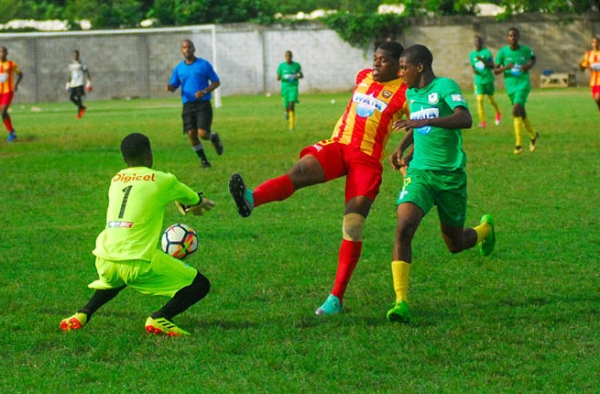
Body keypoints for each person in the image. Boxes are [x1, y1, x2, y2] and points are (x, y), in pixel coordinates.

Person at [229, 41, 408, 316]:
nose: (375, 63)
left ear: (398, 65)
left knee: (353, 225)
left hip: (367, 160)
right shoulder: (362, 77)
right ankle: (251, 199)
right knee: (299, 171)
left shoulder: (406, 92)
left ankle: (336, 298)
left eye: (383, 60)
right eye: (375, 58)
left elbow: (422, 123)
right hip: (338, 145)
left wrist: (404, 151)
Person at [59, 132, 215, 337]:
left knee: (118, 275)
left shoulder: (116, 179)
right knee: (200, 284)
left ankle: (83, 313)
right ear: (149, 155)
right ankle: (161, 317)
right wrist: (198, 203)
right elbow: (194, 200)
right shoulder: (164, 180)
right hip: (137, 262)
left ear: (125, 159)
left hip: (105, 260)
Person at [386, 44, 496, 324]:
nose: (400, 73)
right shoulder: (411, 92)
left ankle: (485, 230)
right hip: (421, 173)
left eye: (404, 68)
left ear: (419, 66)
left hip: (450, 176)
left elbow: (464, 118)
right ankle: (401, 302)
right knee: (403, 228)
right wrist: (402, 148)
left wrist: (422, 122)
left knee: (455, 244)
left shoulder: (445, 86)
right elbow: (420, 127)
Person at [167, 39, 224, 169]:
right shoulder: (179, 68)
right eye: (184, 47)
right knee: (191, 134)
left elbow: (216, 82)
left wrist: (204, 91)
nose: (187, 49)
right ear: (182, 51)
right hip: (188, 106)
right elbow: (174, 85)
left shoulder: (204, 65)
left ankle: (213, 137)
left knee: (202, 134)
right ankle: (204, 161)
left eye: (189, 47)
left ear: (194, 49)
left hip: (203, 104)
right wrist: (170, 87)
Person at [494, 27, 539, 155]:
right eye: (510, 36)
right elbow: (495, 71)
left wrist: (528, 66)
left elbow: (533, 58)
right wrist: (505, 67)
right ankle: (534, 136)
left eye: (515, 36)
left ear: (519, 37)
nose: (512, 38)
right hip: (510, 87)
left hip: (523, 84)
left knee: (515, 110)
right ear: (507, 38)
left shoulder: (525, 50)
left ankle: (518, 144)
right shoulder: (502, 52)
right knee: (521, 112)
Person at [469, 36, 501, 128]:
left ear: (482, 43)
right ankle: (483, 122)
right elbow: (473, 65)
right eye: (475, 42)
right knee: (479, 100)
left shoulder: (487, 53)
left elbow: (492, 65)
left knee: (491, 100)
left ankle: (498, 113)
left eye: (478, 42)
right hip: (478, 81)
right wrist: (474, 70)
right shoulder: (472, 55)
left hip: (488, 79)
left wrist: (482, 60)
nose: (477, 43)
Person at [0, 46, 23, 142]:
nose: (1, 53)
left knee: (3, 111)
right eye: (0, 52)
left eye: (3, 52)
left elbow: (20, 74)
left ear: (6, 53)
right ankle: (11, 131)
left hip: (8, 91)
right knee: (3, 113)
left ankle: (11, 133)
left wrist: (16, 85)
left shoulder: (11, 64)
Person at [276, 50, 303, 131]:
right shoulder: (281, 66)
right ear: (285, 57)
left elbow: (301, 75)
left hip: (293, 87)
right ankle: (286, 112)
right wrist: (285, 77)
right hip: (285, 87)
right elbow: (278, 77)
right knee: (286, 105)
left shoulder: (296, 65)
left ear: (291, 57)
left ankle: (291, 125)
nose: (288, 57)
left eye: (289, 56)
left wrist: (296, 76)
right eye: (286, 56)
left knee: (292, 105)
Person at [67, 49, 92, 119]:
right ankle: (81, 107)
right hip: (73, 83)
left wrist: (88, 82)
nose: (75, 56)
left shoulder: (81, 64)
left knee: (79, 97)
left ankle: (79, 114)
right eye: (73, 55)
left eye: (76, 55)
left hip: (79, 82)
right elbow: (70, 74)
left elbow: (87, 71)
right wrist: (68, 83)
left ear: (78, 55)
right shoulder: (71, 64)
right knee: (71, 98)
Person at [579, 36, 600, 113]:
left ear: (599, 43)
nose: (595, 44)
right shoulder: (588, 54)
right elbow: (583, 69)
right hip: (593, 81)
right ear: (591, 44)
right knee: (595, 98)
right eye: (593, 42)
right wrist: (580, 65)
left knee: (598, 98)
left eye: (596, 42)